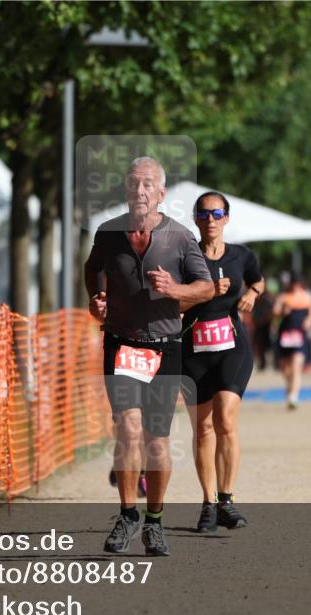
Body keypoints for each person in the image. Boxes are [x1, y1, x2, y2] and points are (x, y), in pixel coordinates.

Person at [85, 157, 214, 556]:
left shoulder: (180, 238)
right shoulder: (108, 233)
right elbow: (92, 270)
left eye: (147, 185)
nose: (139, 191)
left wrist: (176, 290)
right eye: (133, 184)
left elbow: (206, 289)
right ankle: (127, 514)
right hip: (122, 344)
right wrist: (97, 299)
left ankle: (154, 522)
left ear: (160, 194)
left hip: (165, 347)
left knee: (157, 442)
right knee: (127, 428)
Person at [180, 192, 264, 533]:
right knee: (202, 428)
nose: (211, 219)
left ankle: (227, 499)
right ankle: (209, 503)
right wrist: (206, 292)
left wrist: (252, 293)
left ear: (226, 218)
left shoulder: (242, 256)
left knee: (226, 421)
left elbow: (258, 279)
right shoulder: (183, 258)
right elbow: (172, 302)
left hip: (232, 347)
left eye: (217, 213)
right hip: (194, 350)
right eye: (204, 213)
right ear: (197, 219)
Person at [272, 274, 311, 409]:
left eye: (298, 283)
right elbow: (275, 312)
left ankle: (294, 396)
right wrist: (282, 312)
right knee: (285, 367)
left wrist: (309, 321)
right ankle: (289, 386)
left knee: (297, 364)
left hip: (300, 335)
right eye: (293, 283)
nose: (295, 286)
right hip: (286, 334)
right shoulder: (283, 297)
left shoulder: (307, 297)